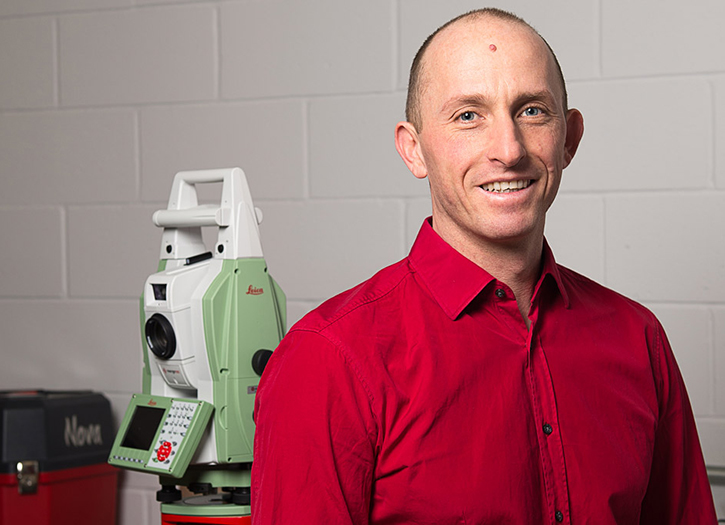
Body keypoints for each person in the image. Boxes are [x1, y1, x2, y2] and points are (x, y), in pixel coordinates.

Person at [251, 8, 717, 524]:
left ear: (569, 138)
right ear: (414, 150)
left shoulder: (638, 339)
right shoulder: (329, 361)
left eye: (533, 111)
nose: (509, 149)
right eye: (468, 115)